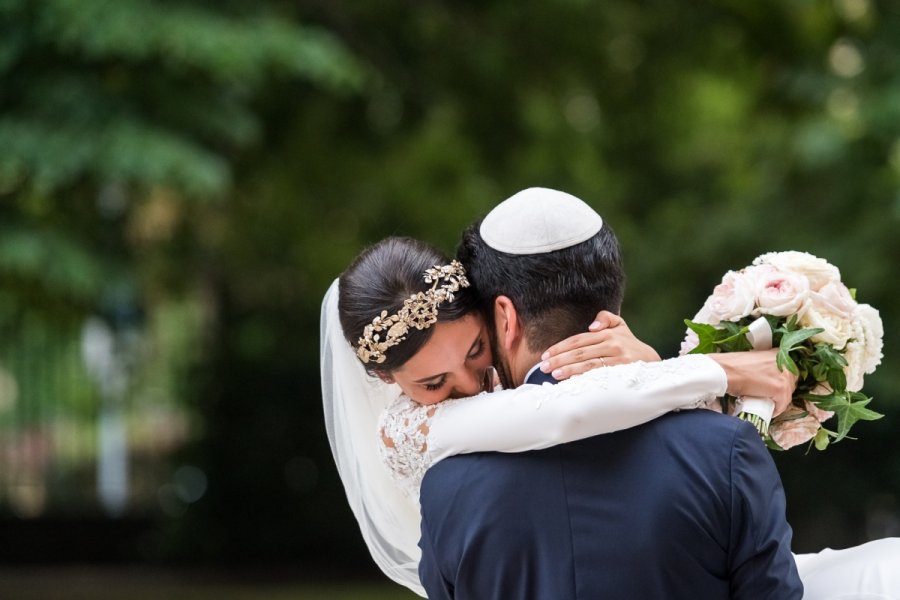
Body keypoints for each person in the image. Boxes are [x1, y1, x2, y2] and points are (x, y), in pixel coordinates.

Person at [320, 189, 900, 598]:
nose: (470, 390)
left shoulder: (446, 488)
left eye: (472, 353)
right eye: (434, 382)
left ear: (501, 317)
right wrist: (712, 371)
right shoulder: (723, 450)